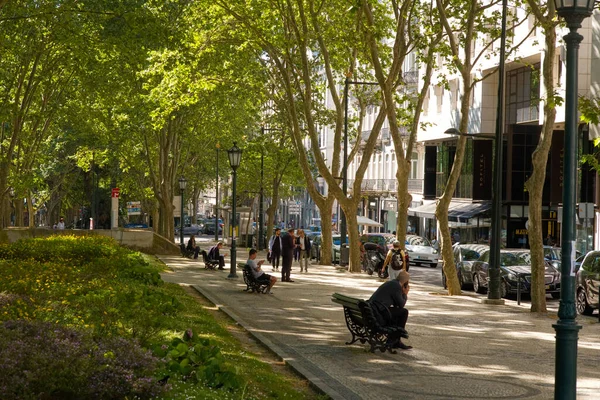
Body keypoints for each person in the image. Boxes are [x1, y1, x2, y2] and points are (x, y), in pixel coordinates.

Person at [368, 270, 412, 350]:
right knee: (404, 312)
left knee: (397, 312)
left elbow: (397, 304)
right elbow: (401, 304)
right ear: (405, 281)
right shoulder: (397, 287)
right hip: (378, 313)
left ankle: (396, 340)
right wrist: (405, 294)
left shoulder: (392, 283)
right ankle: (396, 338)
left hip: (373, 309)